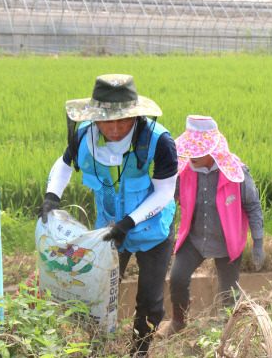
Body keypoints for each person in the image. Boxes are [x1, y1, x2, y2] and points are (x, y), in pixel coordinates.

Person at [38, 74, 178, 356]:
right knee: (96, 291)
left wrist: (129, 223)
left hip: (153, 230)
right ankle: (98, 347)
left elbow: (165, 193)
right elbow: (65, 165)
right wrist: (52, 196)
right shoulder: (85, 136)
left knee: (150, 301)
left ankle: (140, 350)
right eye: (106, 120)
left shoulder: (158, 141)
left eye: (123, 120)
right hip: (109, 229)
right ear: (94, 116)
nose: (114, 128)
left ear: (136, 116)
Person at [166, 115, 265, 336]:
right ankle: (179, 321)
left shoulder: (236, 173)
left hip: (227, 241)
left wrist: (258, 241)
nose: (190, 156)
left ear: (212, 151)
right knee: (177, 278)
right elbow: (168, 201)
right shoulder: (185, 170)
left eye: (196, 152)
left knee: (228, 294)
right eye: (189, 150)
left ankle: (227, 331)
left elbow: (253, 205)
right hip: (194, 238)